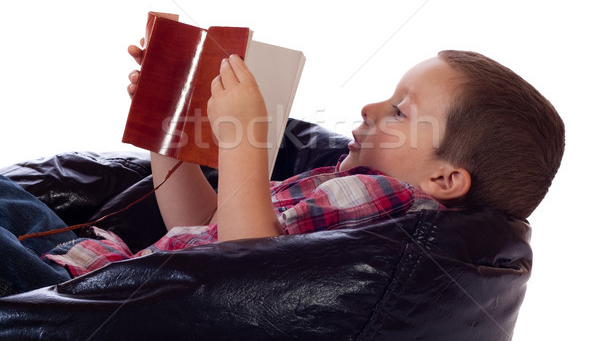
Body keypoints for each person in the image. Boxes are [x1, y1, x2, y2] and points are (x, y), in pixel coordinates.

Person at [0, 44, 565, 295]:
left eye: (399, 111)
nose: (370, 109)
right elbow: (202, 228)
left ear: (445, 180)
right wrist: (169, 132)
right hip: (88, 269)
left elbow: (250, 265)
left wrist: (245, 138)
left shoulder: (388, 202)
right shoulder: (338, 185)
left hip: (78, 289)